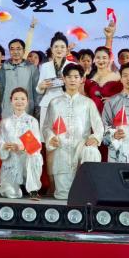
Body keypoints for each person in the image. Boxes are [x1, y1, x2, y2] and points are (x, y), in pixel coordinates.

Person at [43, 64, 103, 200]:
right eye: (69, 77)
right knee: (63, 195)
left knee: (91, 151)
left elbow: (98, 126)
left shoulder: (88, 103)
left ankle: (88, 188)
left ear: (82, 79)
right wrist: (51, 137)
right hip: (62, 149)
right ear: (63, 79)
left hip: (81, 147)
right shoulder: (54, 103)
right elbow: (46, 126)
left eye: (76, 77)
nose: (72, 80)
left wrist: (95, 138)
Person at [0, 88, 44, 199]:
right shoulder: (5, 122)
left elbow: (36, 145)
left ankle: (33, 189)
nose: (19, 102)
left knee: (35, 156)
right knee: (10, 193)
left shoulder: (32, 121)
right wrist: (4, 146)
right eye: (16, 99)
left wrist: (21, 147)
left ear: (27, 101)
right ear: (11, 101)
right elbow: (0, 141)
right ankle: (16, 187)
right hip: (11, 159)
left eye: (23, 99)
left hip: (27, 159)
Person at [36, 32, 75, 128]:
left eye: (62, 47)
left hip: (67, 104)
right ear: (51, 49)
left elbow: (77, 88)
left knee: (65, 133)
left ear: (67, 49)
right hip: (48, 104)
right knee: (47, 133)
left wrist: (67, 83)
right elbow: (39, 90)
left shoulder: (73, 66)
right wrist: (41, 86)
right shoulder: (45, 66)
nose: (59, 49)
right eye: (56, 47)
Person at [83, 46, 123, 114]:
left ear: (109, 59)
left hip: (111, 115)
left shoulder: (117, 76)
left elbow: (126, 95)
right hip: (93, 116)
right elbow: (85, 97)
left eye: (104, 58)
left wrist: (113, 100)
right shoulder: (89, 78)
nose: (101, 61)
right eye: (98, 57)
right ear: (94, 59)